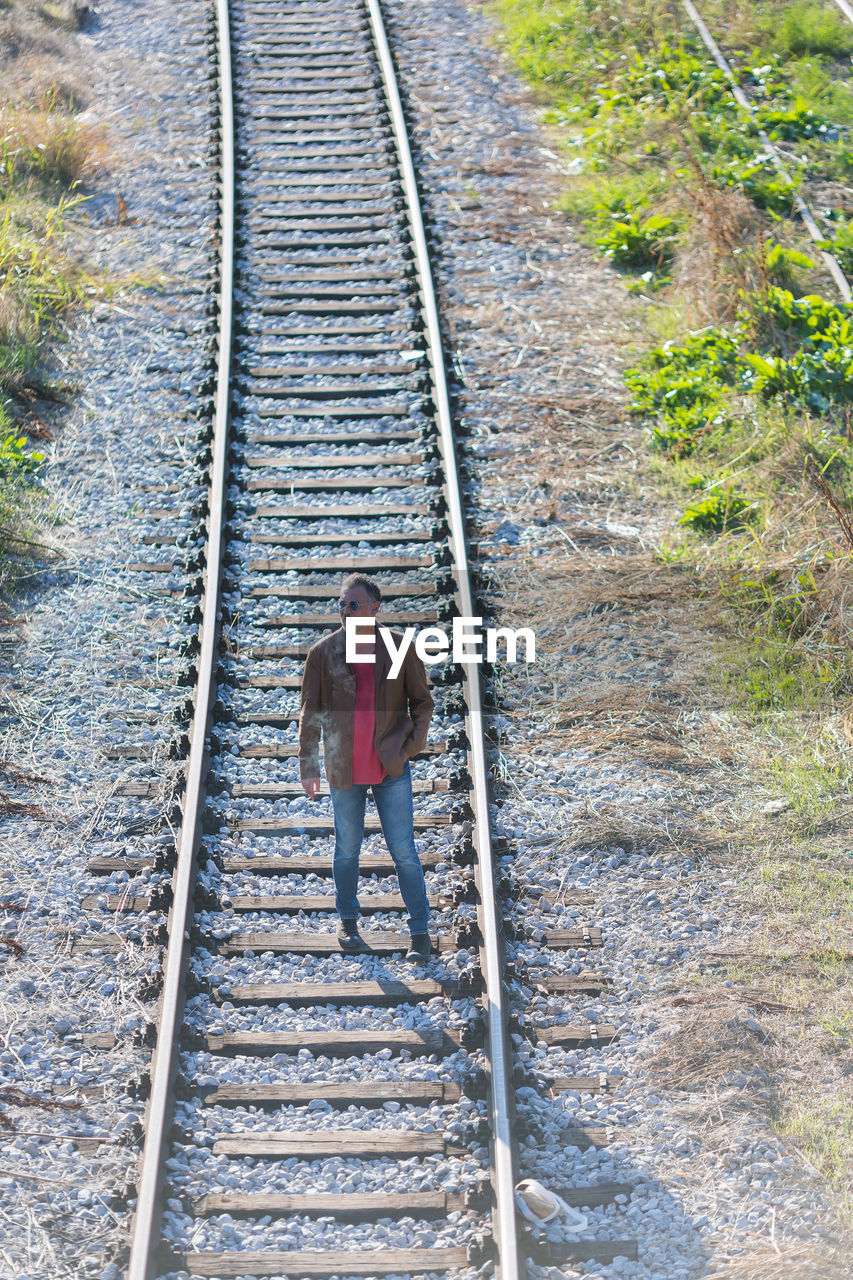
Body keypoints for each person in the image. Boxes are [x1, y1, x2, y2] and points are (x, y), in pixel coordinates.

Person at [298, 573, 435, 960]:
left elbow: (422, 702)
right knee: (347, 851)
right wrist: (308, 766)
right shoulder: (323, 653)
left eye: (353, 605)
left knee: (403, 851)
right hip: (344, 768)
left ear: (375, 609)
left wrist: (413, 745)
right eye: (342, 604)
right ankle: (348, 922)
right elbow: (311, 713)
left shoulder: (397, 649)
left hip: (389, 767)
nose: (345, 611)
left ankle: (420, 933)